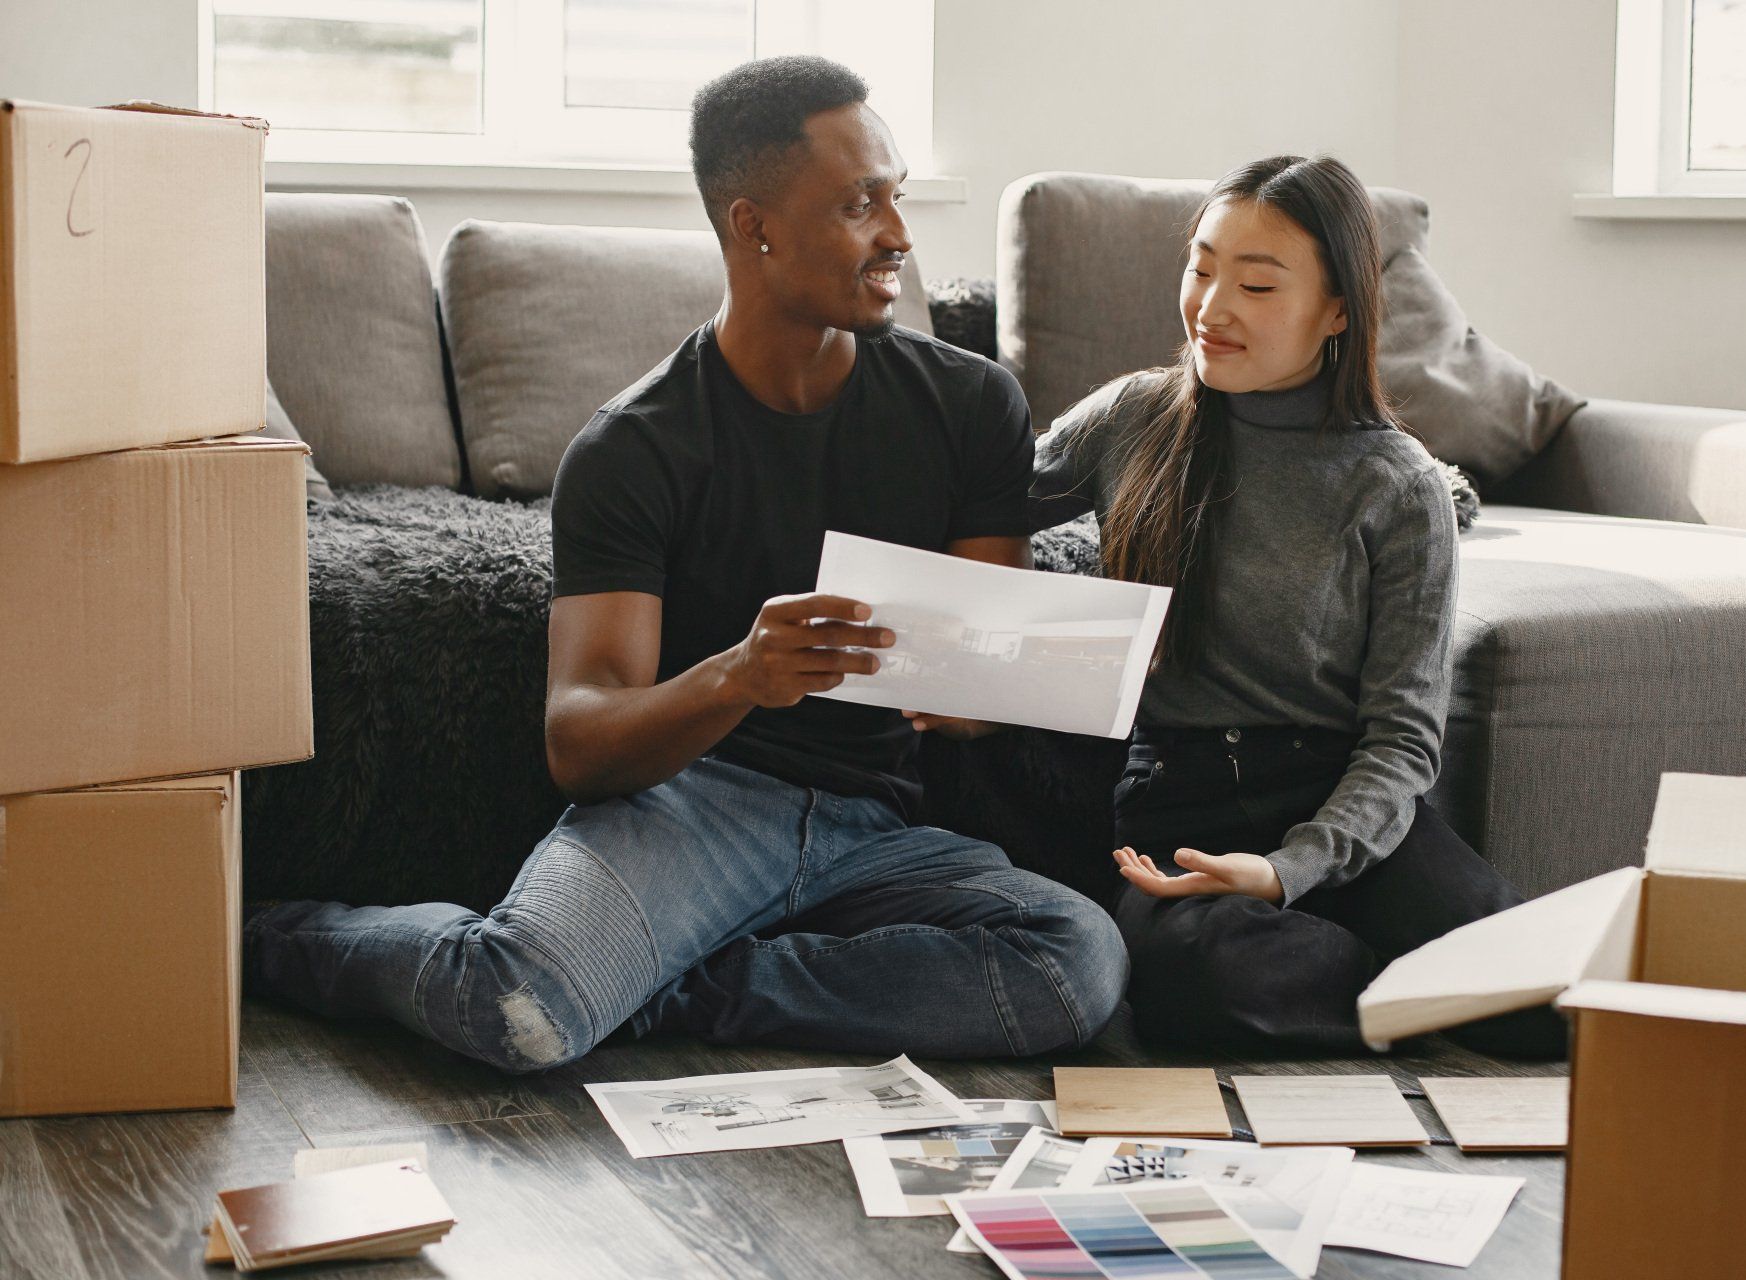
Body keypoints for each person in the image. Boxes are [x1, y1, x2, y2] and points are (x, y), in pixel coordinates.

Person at [245, 56, 1127, 1073]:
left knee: (1078, 960)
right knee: (518, 1003)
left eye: (898, 194)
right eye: (860, 203)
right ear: (755, 226)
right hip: (695, 804)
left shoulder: (972, 405)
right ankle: (277, 935)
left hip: (877, 826)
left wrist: (1011, 668)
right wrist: (741, 675)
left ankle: (672, 988)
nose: (900, 233)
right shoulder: (635, 447)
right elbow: (581, 738)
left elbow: (980, 687)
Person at [1023, 154, 1562, 1056]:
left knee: (1545, 1009)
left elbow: (1402, 740)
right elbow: (977, 509)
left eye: (1258, 284)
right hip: (1178, 805)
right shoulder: (1133, 418)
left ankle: (1392, 979)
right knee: (1206, 980)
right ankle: (1405, 992)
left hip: (1342, 801)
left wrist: (1286, 873)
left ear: (1339, 311)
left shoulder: (1397, 484)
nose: (1213, 306)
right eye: (1200, 268)